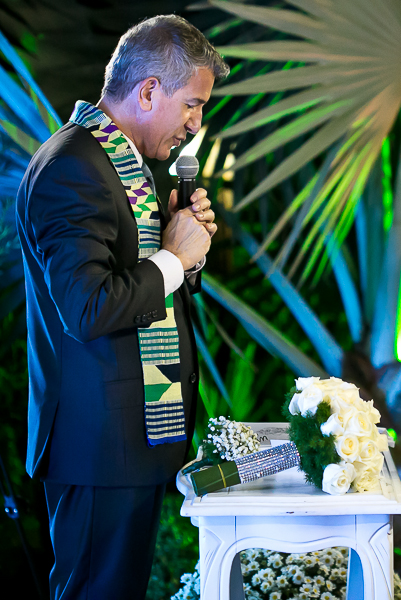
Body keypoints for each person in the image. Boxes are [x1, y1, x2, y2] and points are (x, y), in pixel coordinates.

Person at [16, 15, 228, 599]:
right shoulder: (71, 168)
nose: (196, 124)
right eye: (192, 105)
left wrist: (181, 244)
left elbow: (134, 284)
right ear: (150, 90)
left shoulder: (118, 166)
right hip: (98, 448)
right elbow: (87, 308)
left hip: (133, 439)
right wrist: (174, 260)